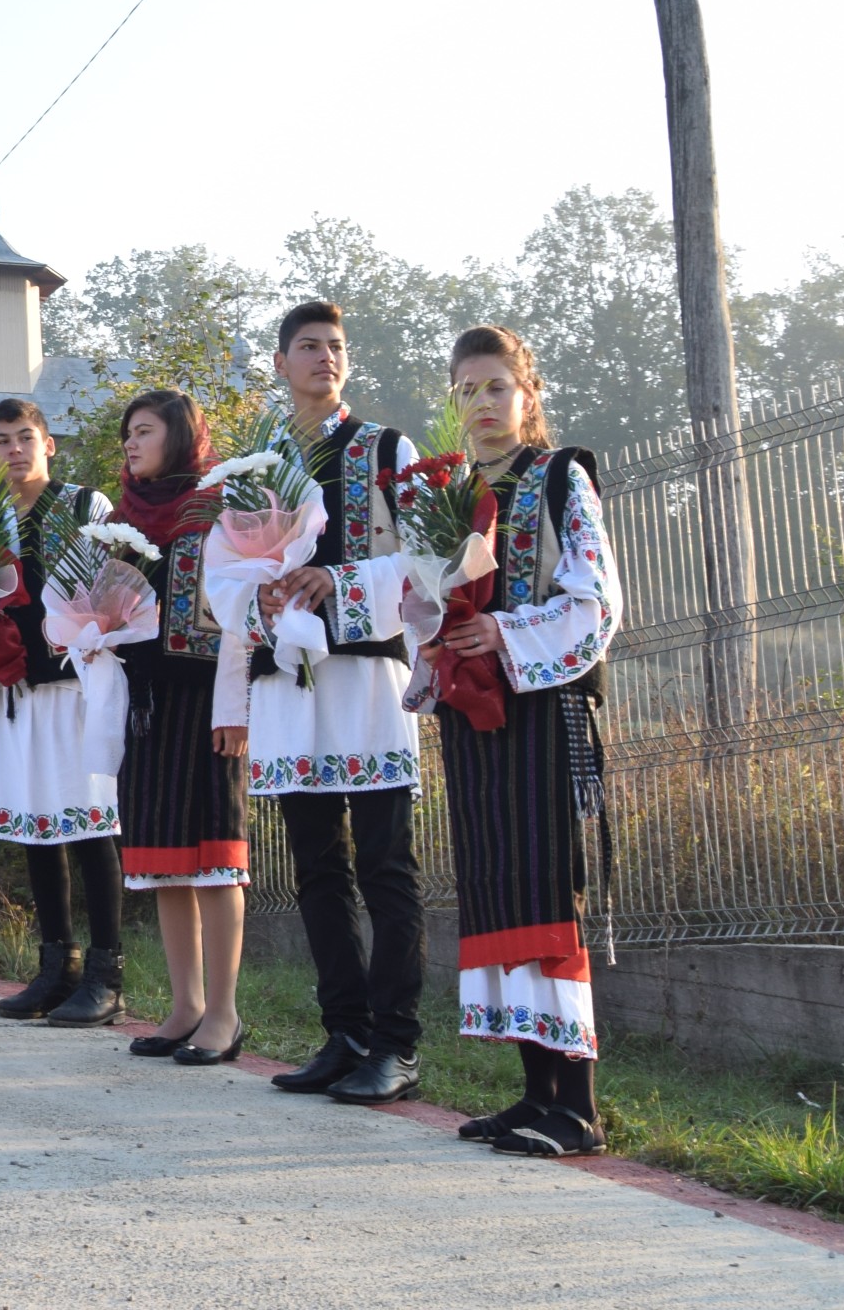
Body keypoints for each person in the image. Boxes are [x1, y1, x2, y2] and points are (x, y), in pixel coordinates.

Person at [210, 300, 425, 1105]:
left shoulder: (385, 449)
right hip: (288, 681)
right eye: (307, 346)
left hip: (365, 675)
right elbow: (222, 574)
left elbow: (427, 558)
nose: (323, 357)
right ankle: (345, 1032)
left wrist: (337, 578)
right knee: (316, 867)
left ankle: (397, 1042)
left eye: (335, 346)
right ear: (280, 363)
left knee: (384, 864)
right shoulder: (258, 464)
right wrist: (256, 600)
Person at [425, 325, 619, 1157]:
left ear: (528, 395)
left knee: (544, 894)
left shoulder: (560, 478)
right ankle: (533, 1093)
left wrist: (502, 633)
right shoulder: (446, 493)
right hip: (474, 719)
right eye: (467, 389)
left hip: (542, 712)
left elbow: (594, 600)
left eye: (498, 385)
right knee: (498, 887)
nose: (484, 403)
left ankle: (576, 1109)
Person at [0, 397, 125, 1027]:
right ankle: (54, 968)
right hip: (15, 691)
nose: (15, 449)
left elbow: (114, 590)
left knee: (90, 828)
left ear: (48, 444)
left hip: (74, 687)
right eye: (2, 440)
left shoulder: (86, 506)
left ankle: (106, 974)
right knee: (36, 827)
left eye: (25, 437)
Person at [110, 388, 247, 1063]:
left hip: (206, 702)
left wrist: (236, 707)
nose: (131, 445)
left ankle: (223, 1012)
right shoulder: (122, 517)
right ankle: (184, 1004)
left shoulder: (217, 508)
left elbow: (241, 614)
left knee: (215, 858)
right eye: (126, 435)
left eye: (143, 431)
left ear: (180, 434)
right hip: (149, 702)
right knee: (164, 860)